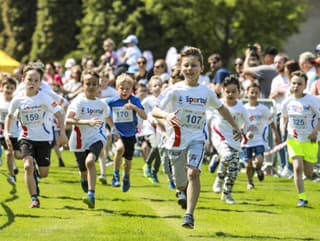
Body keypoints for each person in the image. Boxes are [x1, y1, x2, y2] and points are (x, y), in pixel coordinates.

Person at [152, 47, 242, 229]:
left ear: (201, 68)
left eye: (194, 65)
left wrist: (235, 126)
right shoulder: (174, 90)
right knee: (180, 181)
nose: (190, 69)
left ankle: (189, 215)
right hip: (175, 140)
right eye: (186, 65)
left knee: (193, 173)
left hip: (197, 138)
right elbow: (155, 110)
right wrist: (166, 116)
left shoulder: (206, 92)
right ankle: (180, 190)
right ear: (181, 67)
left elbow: (221, 108)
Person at [4, 63, 68, 208]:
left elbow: (59, 114)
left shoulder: (44, 98)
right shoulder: (18, 100)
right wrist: (8, 132)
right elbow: (10, 116)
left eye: (36, 80)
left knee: (44, 173)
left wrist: (63, 133)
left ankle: (36, 175)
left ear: (40, 82)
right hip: (26, 137)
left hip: (44, 139)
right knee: (27, 165)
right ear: (23, 80)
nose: (32, 83)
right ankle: (34, 198)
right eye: (29, 80)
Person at [66, 69, 116, 208]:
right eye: (88, 84)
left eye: (95, 84)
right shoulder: (78, 102)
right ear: (83, 85)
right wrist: (86, 122)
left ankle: (91, 195)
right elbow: (68, 120)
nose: (92, 87)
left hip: (97, 137)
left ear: (99, 86)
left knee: (90, 162)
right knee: (83, 172)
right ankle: (85, 180)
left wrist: (114, 130)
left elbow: (107, 118)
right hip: (79, 141)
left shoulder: (102, 104)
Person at [280, 70, 320, 207]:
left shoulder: (312, 101)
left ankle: (311, 175)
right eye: (293, 83)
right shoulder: (287, 102)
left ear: (305, 86)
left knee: (308, 173)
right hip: (294, 139)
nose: (296, 86)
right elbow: (284, 117)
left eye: (299, 84)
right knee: (297, 168)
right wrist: (283, 129)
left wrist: (315, 131)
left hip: (310, 140)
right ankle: (302, 198)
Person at [211, 75, 252, 204]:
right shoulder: (218, 104)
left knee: (234, 169)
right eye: (227, 91)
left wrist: (245, 132)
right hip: (220, 136)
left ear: (239, 92)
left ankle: (227, 194)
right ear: (222, 91)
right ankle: (219, 178)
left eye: (233, 91)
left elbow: (248, 123)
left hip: (234, 139)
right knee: (227, 156)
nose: (230, 94)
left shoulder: (241, 108)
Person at [106, 73, 147, 192]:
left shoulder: (135, 100)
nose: (124, 91)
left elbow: (144, 116)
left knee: (127, 163)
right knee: (119, 149)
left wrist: (134, 108)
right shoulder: (112, 101)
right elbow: (103, 111)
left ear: (132, 89)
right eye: (121, 88)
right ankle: (115, 175)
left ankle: (126, 176)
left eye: (127, 89)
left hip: (130, 134)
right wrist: (112, 127)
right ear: (116, 88)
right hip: (117, 133)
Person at [243, 82, 280, 189]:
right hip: (246, 141)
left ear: (259, 94)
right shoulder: (243, 108)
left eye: (256, 93)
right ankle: (250, 181)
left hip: (259, 139)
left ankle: (258, 168)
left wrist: (276, 134)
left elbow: (271, 121)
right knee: (248, 163)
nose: (253, 95)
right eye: (251, 92)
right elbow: (239, 123)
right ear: (247, 93)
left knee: (259, 160)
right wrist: (244, 132)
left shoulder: (263, 109)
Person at [0, 76, 21, 183]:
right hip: (2, 132)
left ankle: (13, 163)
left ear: (14, 90)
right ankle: (12, 176)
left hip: (14, 132)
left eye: (11, 88)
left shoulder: (16, 102)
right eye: (7, 87)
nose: (8, 90)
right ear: (2, 87)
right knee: (8, 153)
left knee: (18, 155)